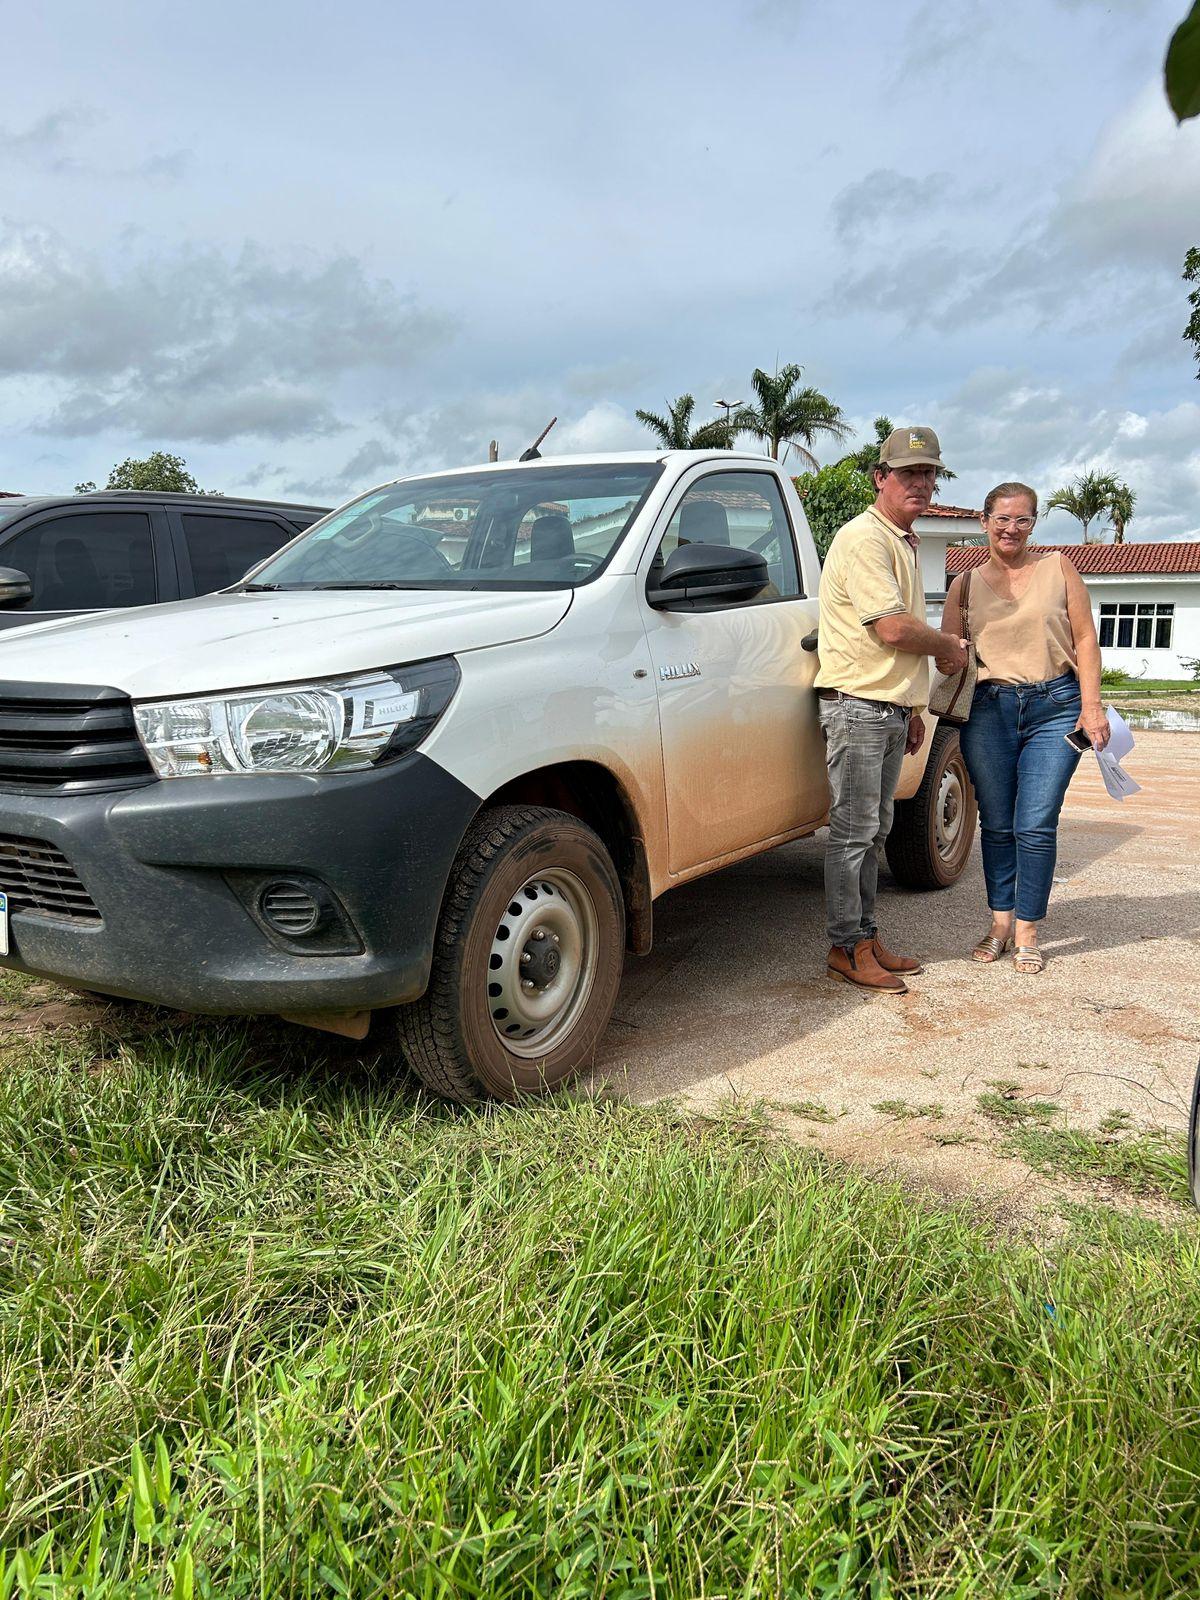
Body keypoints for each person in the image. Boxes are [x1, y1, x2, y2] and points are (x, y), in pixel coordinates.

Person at [815, 427, 969, 993]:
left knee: (875, 830)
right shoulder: (865, 539)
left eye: (929, 473)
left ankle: (865, 936)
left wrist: (912, 707)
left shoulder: (900, 539)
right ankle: (845, 947)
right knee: (854, 833)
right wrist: (950, 647)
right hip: (857, 708)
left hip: (883, 706)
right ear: (881, 478)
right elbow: (892, 628)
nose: (922, 484)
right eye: (909, 473)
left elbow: (893, 639)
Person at [943, 482, 1109, 975]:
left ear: (1033, 523)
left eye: (1022, 520)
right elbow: (951, 654)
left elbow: (1085, 639)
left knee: (1034, 822)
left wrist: (1092, 706)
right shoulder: (964, 585)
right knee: (995, 823)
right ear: (984, 521)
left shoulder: (1058, 568)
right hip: (989, 709)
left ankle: (1028, 928)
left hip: (1055, 705)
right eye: (1002, 519)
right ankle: (1000, 923)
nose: (1011, 529)